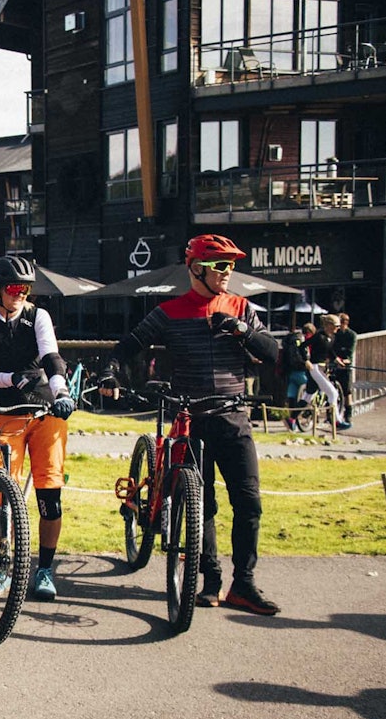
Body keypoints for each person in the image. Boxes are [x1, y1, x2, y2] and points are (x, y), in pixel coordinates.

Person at [99, 234, 282, 616]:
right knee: (205, 505)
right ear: (195, 268)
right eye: (220, 266)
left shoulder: (241, 307)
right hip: (191, 419)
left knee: (249, 503)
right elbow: (126, 347)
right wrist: (111, 376)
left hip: (234, 417)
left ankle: (243, 585)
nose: (227, 273)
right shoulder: (170, 311)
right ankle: (210, 581)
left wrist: (240, 329)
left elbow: (273, 353)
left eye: (231, 266)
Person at [0, 255, 76, 601]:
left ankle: (44, 569)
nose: (20, 294)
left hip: (44, 409)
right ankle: (0, 566)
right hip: (6, 411)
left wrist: (61, 392)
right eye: (13, 287)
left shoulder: (37, 316)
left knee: (50, 495)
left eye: (26, 288)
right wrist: (10, 378)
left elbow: (51, 357)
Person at [304, 314, 347, 430]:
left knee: (309, 394)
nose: (338, 328)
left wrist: (337, 360)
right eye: (336, 326)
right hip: (315, 367)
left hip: (323, 367)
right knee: (333, 393)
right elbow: (303, 346)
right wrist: (306, 360)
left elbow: (330, 351)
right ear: (328, 325)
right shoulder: (319, 336)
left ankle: (292, 418)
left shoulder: (331, 337)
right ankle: (336, 421)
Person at [280, 324, 312, 431]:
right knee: (312, 391)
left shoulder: (289, 340)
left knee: (292, 395)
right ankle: (295, 416)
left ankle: (292, 424)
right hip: (301, 370)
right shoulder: (302, 340)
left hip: (290, 371)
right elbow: (305, 355)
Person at [333, 312, 358, 426]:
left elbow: (349, 352)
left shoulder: (351, 335)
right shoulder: (335, 334)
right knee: (332, 389)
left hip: (345, 365)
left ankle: (348, 415)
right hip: (334, 363)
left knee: (347, 391)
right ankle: (331, 414)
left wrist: (345, 360)